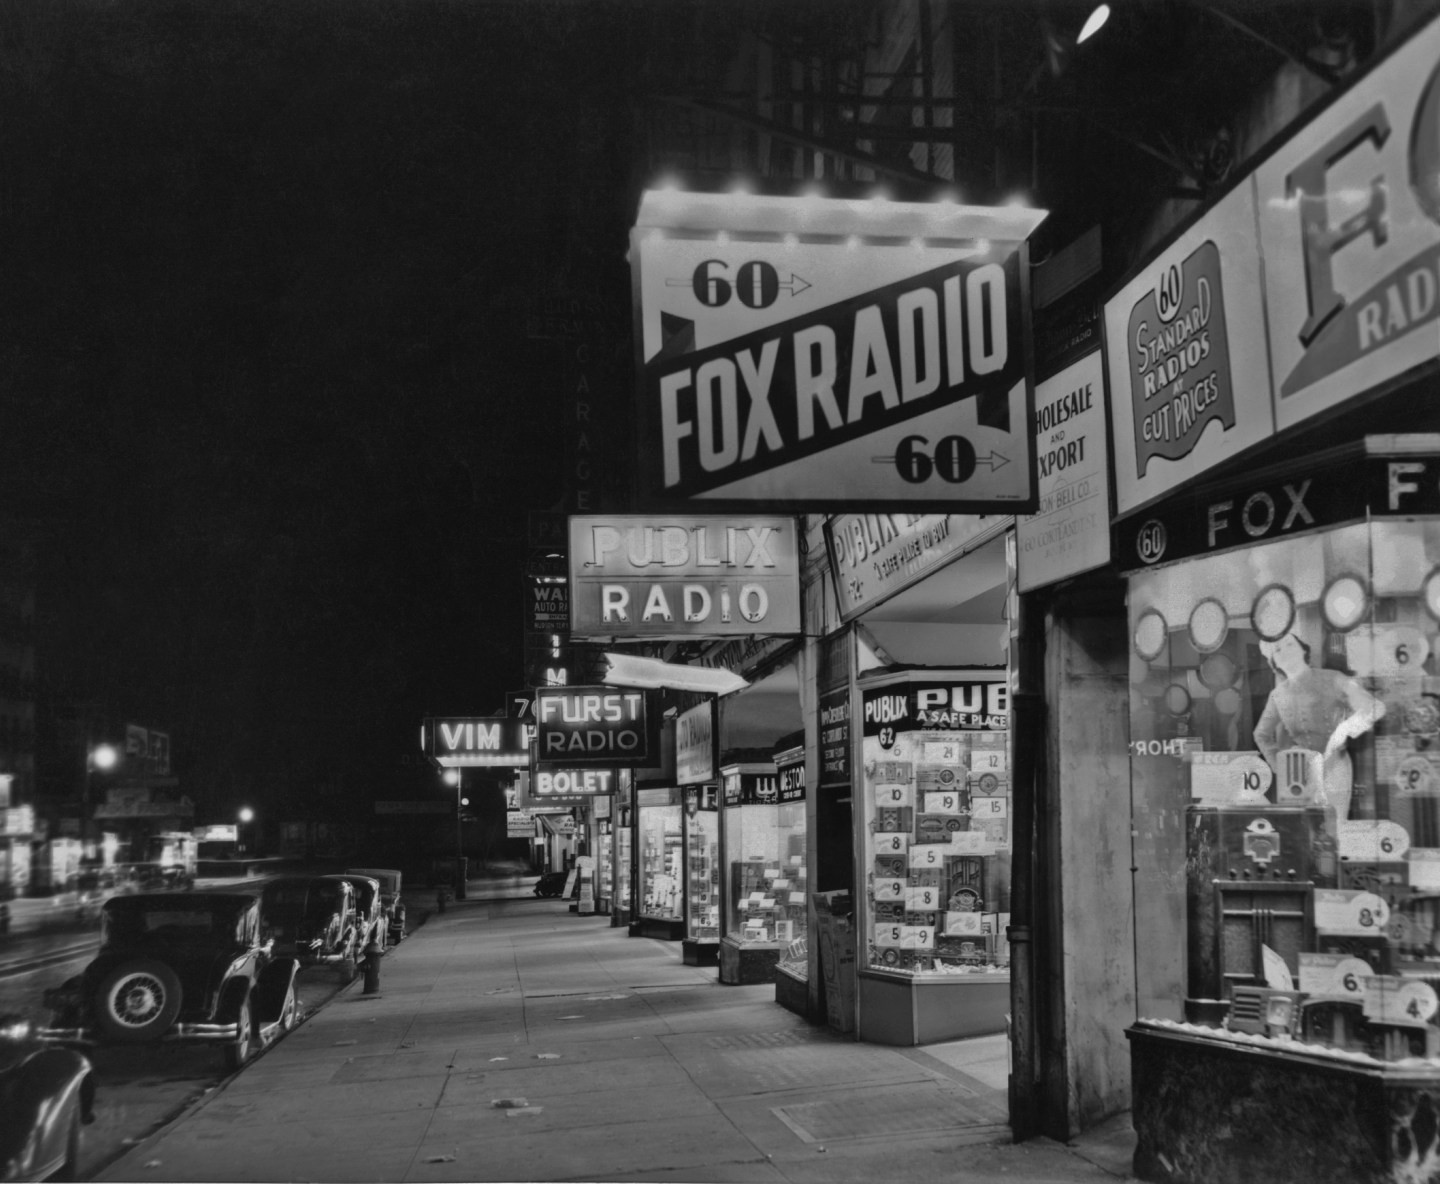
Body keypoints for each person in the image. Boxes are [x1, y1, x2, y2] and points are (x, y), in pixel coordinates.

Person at [1254, 629, 1385, 830]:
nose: (1286, 650)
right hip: (1299, 771)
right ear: (1274, 663)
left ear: (1303, 650)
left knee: (1335, 825)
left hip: (1335, 764)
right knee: (1306, 828)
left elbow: (1375, 708)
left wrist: (1345, 729)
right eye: (1278, 650)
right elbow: (1261, 734)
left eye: (1290, 644)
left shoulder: (1334, 678)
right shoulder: (1278, 695)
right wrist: (1278, 764)